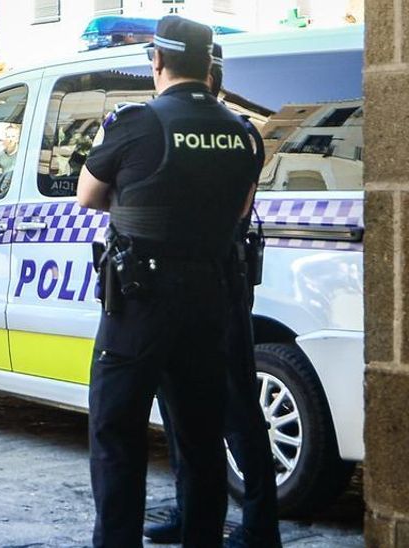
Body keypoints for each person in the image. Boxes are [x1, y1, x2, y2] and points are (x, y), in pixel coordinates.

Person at [76, 16, 260, 547]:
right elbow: (240, 207)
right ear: (209, 65)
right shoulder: (241, 132)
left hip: (141, 302)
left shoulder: (136, 123)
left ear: (155, 61)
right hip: (211, 298)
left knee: (117, 433)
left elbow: (87, 196)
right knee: (201, 437)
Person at [144, 43, 280, 548]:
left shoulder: (230, 131)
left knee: (235, 410)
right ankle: (193, 509)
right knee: (188, 408)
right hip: (219, 281)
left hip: (216, 281)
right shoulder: (239, 132)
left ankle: (259, 526)